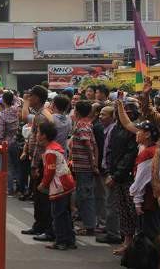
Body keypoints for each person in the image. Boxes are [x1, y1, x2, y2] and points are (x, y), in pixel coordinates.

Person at [20, 85, 54, 240]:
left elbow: (40, 144)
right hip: (41, 159)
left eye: (31, 96)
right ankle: (39, 225)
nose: (29, 98)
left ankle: (44, 227)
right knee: (39, 196)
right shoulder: (41, 114)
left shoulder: (42, 116)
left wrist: (34, 165)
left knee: (41, 197)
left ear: (38, 98)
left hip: (41, 161)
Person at [106, 99, 140, 255]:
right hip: (117, 175)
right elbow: (111, 152)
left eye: (127, 111)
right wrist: (110, 173)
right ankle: (127, 242)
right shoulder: (116, 128)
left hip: (129, 178)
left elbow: (130, 156)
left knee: (133, 211)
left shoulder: (136, 130)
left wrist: (117, 175)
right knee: (123, 211)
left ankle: (139, 244)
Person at [37, 120, 77, 251]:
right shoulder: (56, 147)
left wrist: (43, 184)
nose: (37, 135)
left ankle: (60, 241)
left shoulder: (50, 152)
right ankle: (70, 240)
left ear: (43, 135)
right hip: (67, 182)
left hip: (59, 185)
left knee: (58, 214)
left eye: (38, 132)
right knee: (64, 214)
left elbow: (49, 171)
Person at [69, 100, 99, 236]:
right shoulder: (86, 123)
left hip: (84, 167)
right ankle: (88, 224)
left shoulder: (82, 124)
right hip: (83, 166)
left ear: (78, 111)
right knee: (84, 195)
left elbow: (88, 144)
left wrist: (93, 164)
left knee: (86, 196)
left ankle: (89, 226)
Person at [96, 105, 122, 244]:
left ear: (113, 117)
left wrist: (112, 174)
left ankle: (113, 234)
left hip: (113, 172)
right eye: (100, 114)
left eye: (104, 114)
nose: (100, 116)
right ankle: (111, 230)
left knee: (111, 204)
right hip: (108, 170)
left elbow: (114, 154)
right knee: (109, 202)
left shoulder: (115, 130)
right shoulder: (107, 129)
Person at [0, 91, 23, 196]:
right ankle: (20, 188)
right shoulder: (17, 110)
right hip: (18, 141)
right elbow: (18, 101)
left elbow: (0, 133)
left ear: (3, 101)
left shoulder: (2, 115)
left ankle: (10, 189)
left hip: (7, 143)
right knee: (18, 166)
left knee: (9, 166)